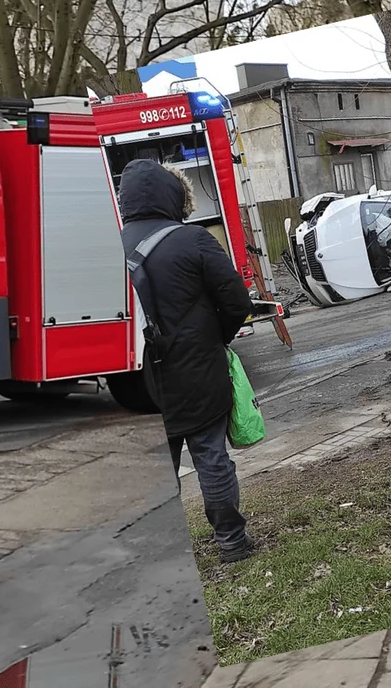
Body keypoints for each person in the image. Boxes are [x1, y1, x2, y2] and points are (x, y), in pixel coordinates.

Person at [117, 158, 255, 563]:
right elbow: (237, 303)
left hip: (140, 383)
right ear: (172, 196)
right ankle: (231, 542)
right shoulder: (193, 240)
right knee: (211, 458)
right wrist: (214, 340)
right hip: (198, 374)